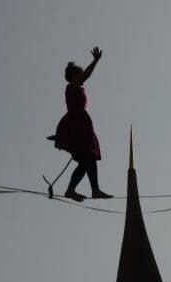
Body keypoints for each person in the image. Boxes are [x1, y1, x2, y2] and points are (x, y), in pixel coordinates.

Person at [53, 46, 113, 202]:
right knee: (87, 159)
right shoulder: (71, 87)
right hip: (78, 127)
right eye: (79, 74)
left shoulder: (75, 88)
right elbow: (86, 75)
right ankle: (72, 189)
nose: (82, 77)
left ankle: (94, 189)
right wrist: (95, 60)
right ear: (74, 76)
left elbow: (84, 77)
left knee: (90, 159)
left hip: (83, 128)